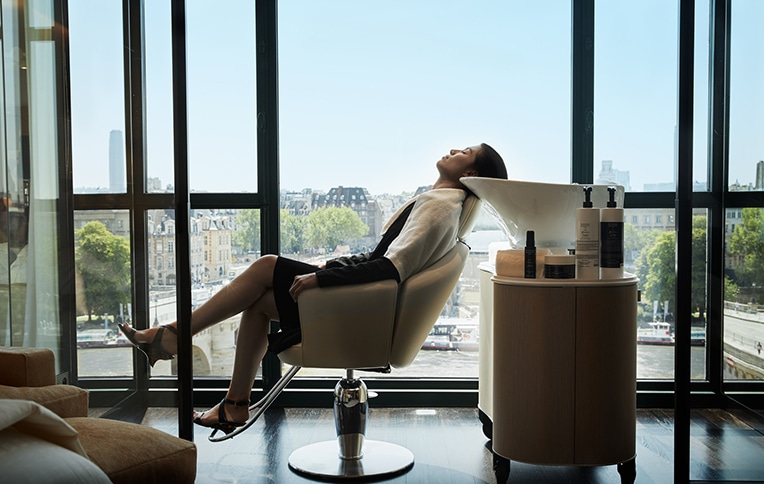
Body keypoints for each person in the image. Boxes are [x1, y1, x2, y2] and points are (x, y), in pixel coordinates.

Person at [120, 143, 507, 434]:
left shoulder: (440, 207)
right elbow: (383, 259)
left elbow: (390, 268)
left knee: (265, 266)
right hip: (361, 309)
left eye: (465, 151)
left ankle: (173, 336)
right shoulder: (442, 204)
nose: (454, 149)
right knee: (256, 305)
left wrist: (320, 278)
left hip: (358, 314)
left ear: (470, 174)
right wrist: (330, 266)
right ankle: (234, 403)